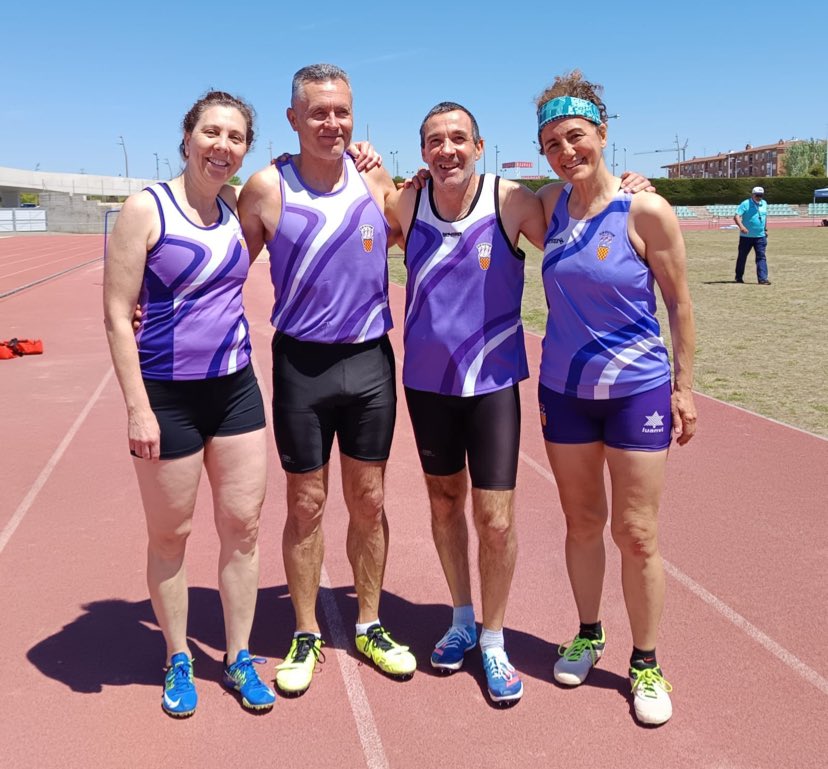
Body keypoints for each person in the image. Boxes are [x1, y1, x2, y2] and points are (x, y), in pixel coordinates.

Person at [385, 103, 651, 705]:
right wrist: (359, 155)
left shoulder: (515, 202)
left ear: (480, 146)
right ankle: (460, 619)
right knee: (445, 504)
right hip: (427, 384)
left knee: (496, 519)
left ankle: (495, 637)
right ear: (421, 152)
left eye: (458, 138)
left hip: (495, 384)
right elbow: (355, 213)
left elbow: (586, 218)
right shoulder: (406, 202)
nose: (447, 149)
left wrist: (632, 189)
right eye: (434, 141)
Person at [238, 63, 415, 696]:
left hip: (369, 361)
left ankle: (369, 622)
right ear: (293, 119)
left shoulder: (373, 178)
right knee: (306, 505)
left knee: (369, 501)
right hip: (302, 365)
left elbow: (420, 231)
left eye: (342, 111)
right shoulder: (265, 187)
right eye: (318, 112)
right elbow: (224, 267)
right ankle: (307, 630)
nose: (332, 123)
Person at [103, 91, 276, 716]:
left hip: (235, 392)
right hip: (167, 397)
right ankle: (178, 655)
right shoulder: (145, 209)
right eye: (212, 132)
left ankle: (238, 656)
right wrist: (138, 408)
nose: (222, 146)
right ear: (188, 135)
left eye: (235, 137)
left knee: (244, 529)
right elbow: (119, 316)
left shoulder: (234, 206)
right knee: (171, 534)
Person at [534, 71, 697, 726]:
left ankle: (647, 660)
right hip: (565, 392)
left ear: (602, 134)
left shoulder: (644, 210)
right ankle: (588, 630)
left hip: (637, 391)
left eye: (575, 136)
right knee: (579, 522)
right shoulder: (545, 206)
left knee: (635, 532)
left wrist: (685, 386)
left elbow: (681, 304)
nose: (565, 150)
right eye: (551, 142)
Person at [734, 186, 770, 284]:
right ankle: (739, 277)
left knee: (761, 257)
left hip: (760, 236)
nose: (759, 197)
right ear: (752, 195)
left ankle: (763, 279)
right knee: (742, 257)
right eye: (757, 195)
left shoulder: (764, 203)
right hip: (746, 237)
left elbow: (764, 217)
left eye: (761, 195)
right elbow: (736, 216)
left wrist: (765, 229)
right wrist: (741, 227)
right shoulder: (745, 204)